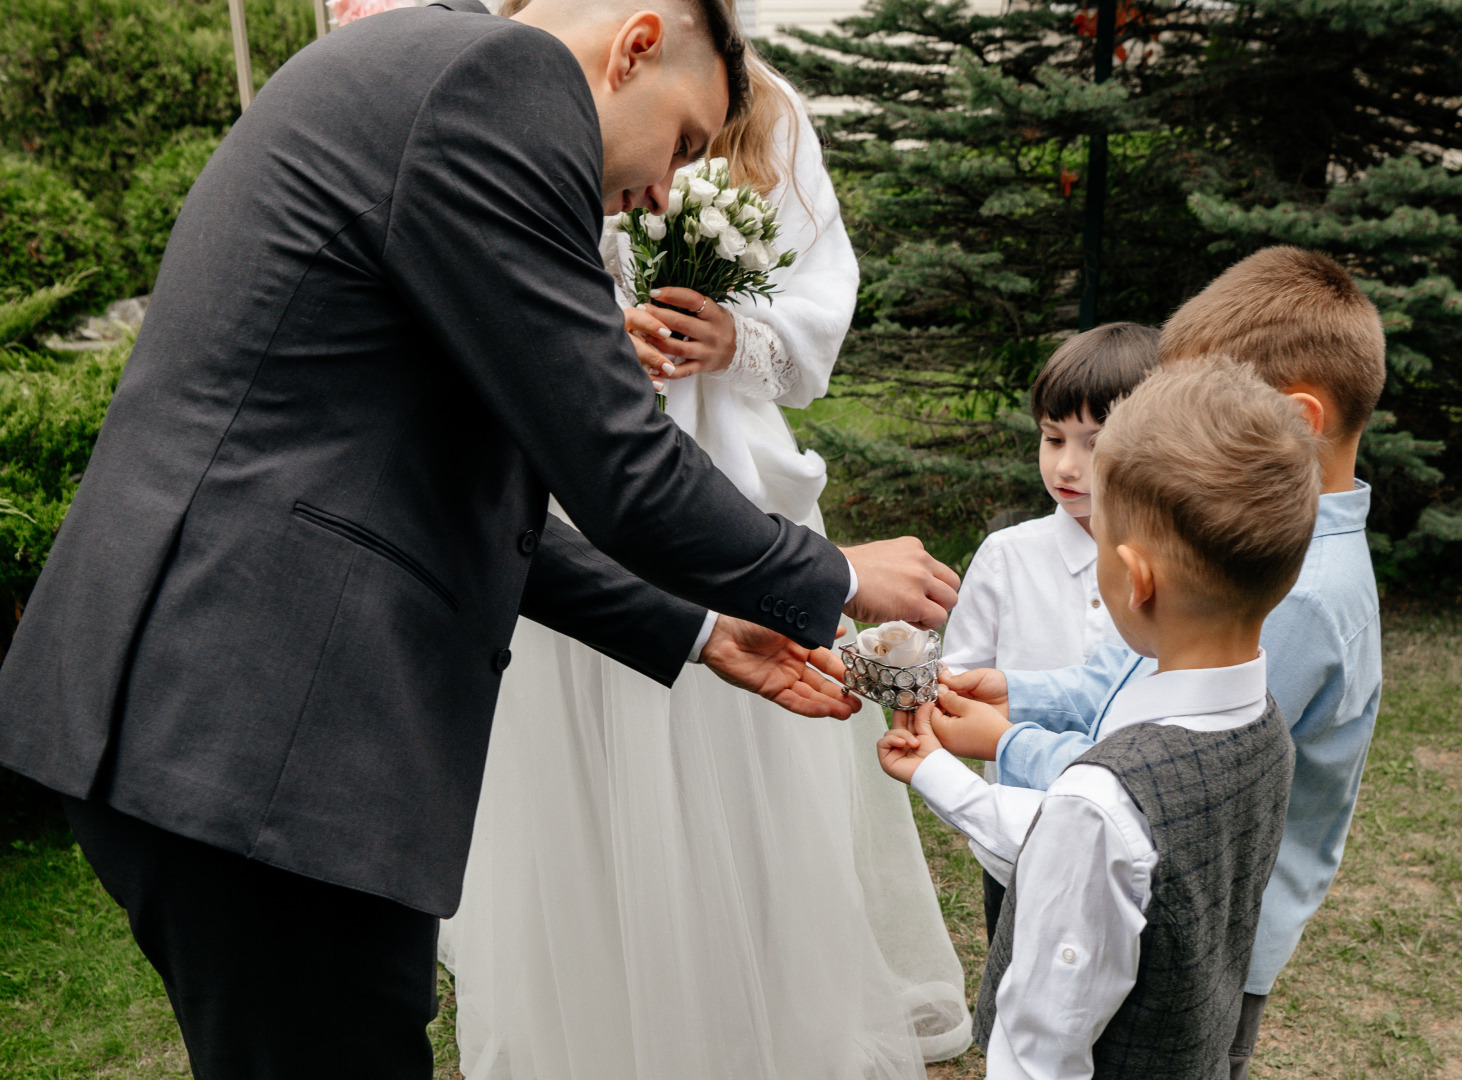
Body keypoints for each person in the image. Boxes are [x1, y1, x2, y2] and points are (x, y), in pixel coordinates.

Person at [0, 3, 963, 1077]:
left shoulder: (431, 73)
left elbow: (453, 492)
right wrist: (832, 571)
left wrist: (697, 630)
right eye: (685, 140)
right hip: (257, 734)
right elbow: (618, 468)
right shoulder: (498, 85)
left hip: (211, 727)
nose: (662, 188)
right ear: (636, 44)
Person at [440, 33, 971, 1079]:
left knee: (758, 794)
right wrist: (591, 347)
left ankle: (764, 1027)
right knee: (585, 816)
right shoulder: (530, 101)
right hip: (577, 519)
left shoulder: (769, 113)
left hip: (734, 489)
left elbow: (822, 299)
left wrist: (736, 334)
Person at [939, 246, 1386, 1078]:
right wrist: (1018, 689)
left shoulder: (1301, 603)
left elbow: (1158, 793)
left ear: (1299, 417)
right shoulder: (1267, 568)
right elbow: (1122, 683)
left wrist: (1004, 744)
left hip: (1196, 930)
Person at [879, 357, 1316, 1079]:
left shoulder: (1104, 799)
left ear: (1134, 577)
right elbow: (1099, 854)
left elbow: (1042, 1048)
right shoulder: (1263, 728)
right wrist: (938, 776)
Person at [939, 322, 1157, 943]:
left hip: (1132, 849)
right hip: (1018, 838)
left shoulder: (1176, 568)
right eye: (1052, 437)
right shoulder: (1008, 556)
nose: (1066, 465)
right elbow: (960, 677)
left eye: (1095, 444)